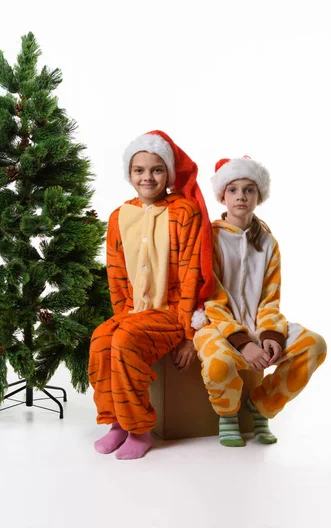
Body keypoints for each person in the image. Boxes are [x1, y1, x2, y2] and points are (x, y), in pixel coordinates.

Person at [88, 130, 214, 459]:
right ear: (129, 174)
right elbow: (116, 274)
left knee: (126, 339)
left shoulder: (185, 212)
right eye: (139, 170)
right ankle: (116, 421)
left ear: (168, 174)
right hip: (134, 311)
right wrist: (120, 315)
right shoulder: (119, 217)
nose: (147, 177)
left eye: (156, 169)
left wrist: (189, 334)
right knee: (102, 338)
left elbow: (190, 274)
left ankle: (139, 429)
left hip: (171, 312)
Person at [193, 156, 327, 447]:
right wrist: (244, 342)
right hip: (217, 326)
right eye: (233, 190)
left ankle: (261, 406)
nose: (241, 196)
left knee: (314, 345)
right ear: (222, 196)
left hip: (257, 324)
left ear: (259, 196)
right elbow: (211, 299)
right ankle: (228, 416)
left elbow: (270, 299)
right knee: (218, 365)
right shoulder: (210, 238)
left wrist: (270, 336)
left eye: (249, 189)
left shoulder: (267, 242)